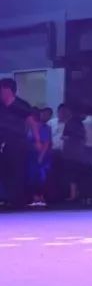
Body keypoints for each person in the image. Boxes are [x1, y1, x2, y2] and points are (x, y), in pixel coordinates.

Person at [0, 78, 35, 207]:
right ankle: (6, 197)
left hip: (18, 143)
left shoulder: (21, 105)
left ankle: (19, 199)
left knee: (17, 171)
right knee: (4, 171)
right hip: (2, 142)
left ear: (7, 90)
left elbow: (31, 123)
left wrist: (37, 139)